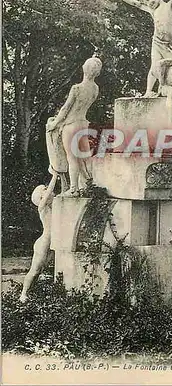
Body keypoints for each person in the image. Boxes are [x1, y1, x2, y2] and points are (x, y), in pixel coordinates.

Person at [46, 56, 102, 197]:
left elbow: (65, 109)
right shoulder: (95, 89)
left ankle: (74, 189)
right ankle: (89, 186)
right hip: (85, 124)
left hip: (72, 126)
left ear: (84, 68)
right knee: (85, 158)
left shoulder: (77, 88)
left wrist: (54, 124)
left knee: (72, 158)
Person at [19, 171, 58, 303]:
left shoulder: (56, 205)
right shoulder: (42, 207)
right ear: (41, 197)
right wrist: (55, 175)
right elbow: (48, 195)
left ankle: (32, 293)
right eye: (44, 189)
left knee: (43, 270)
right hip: (44, 242)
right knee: (35, 270)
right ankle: (23, 294)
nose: (48, 190)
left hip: (53, 242)